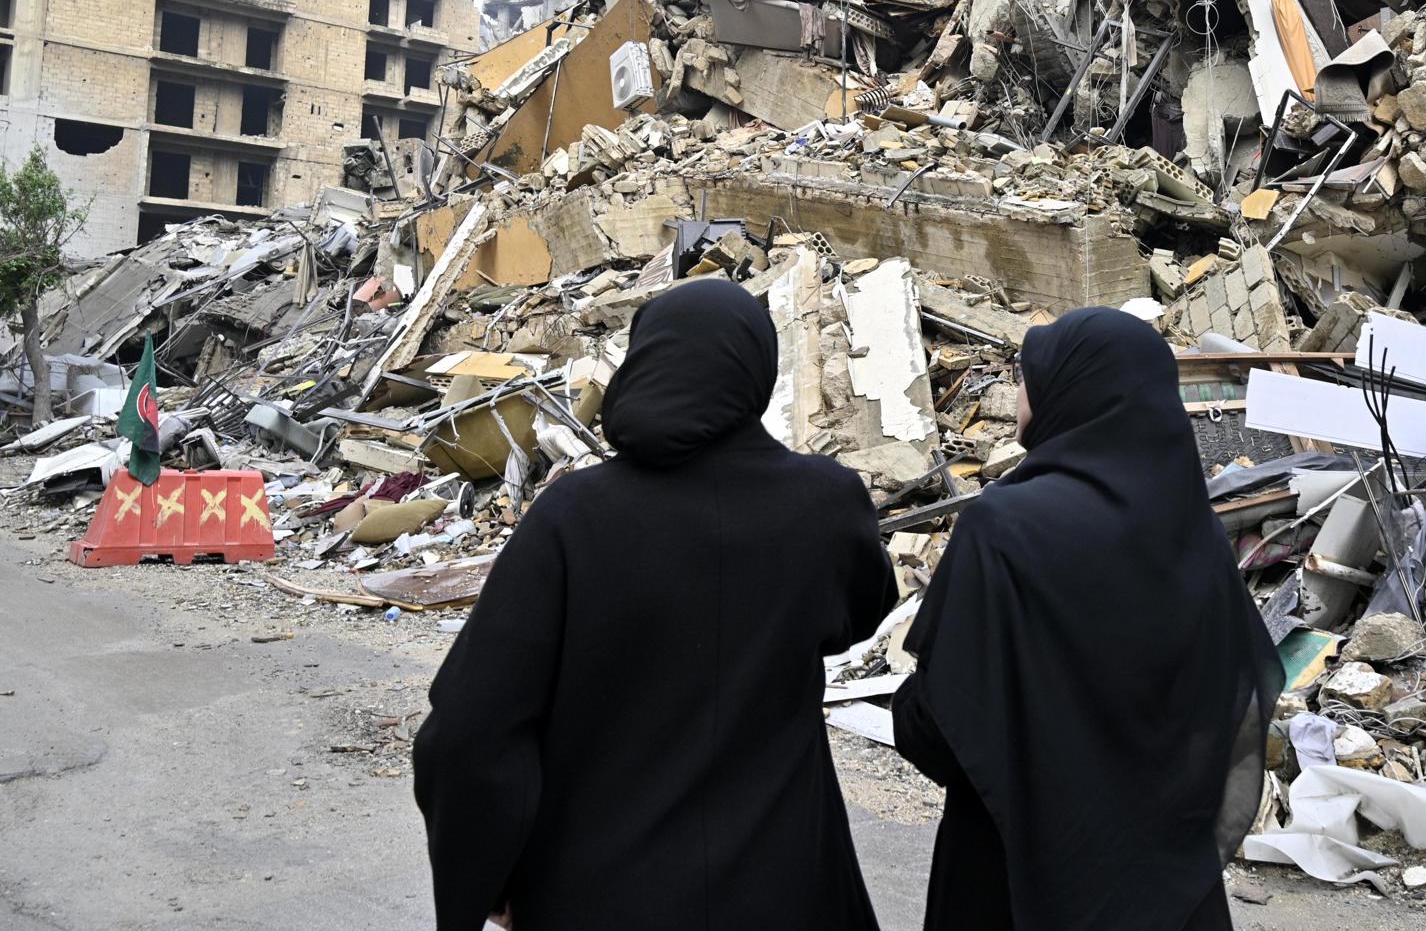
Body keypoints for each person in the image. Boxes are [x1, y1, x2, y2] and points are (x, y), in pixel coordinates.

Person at [413, 279, 895, 931]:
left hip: (595, 896)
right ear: (757, 372)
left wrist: (488, 874)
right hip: (786, 891)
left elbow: (469, 733)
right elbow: (862, 612)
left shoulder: (572, 519)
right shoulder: (825, 507)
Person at [892, 307, 1282, 931]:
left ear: (1067, 390)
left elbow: (940, 724)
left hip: (1014, 874)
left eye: (1025, 377)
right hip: (1165, 889)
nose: (1017, 392)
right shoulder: (1196, 535)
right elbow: (1227, 702)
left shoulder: (1004, 529)